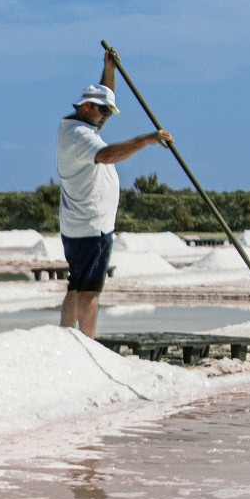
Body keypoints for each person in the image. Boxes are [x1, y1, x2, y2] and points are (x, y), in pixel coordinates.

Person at [54, 49, 172, 339]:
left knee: (76, 284)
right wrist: (145, 140)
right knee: (89, 290)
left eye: (108, 112)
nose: (106, 116)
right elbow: (107, 156)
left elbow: (104, 94)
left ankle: (66, 337)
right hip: (93, 226)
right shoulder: (80, 137)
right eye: (102, 110)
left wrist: (109, 70)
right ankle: (87, 345)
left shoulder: (73, 126)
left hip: (75, 225)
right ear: (86, 106)